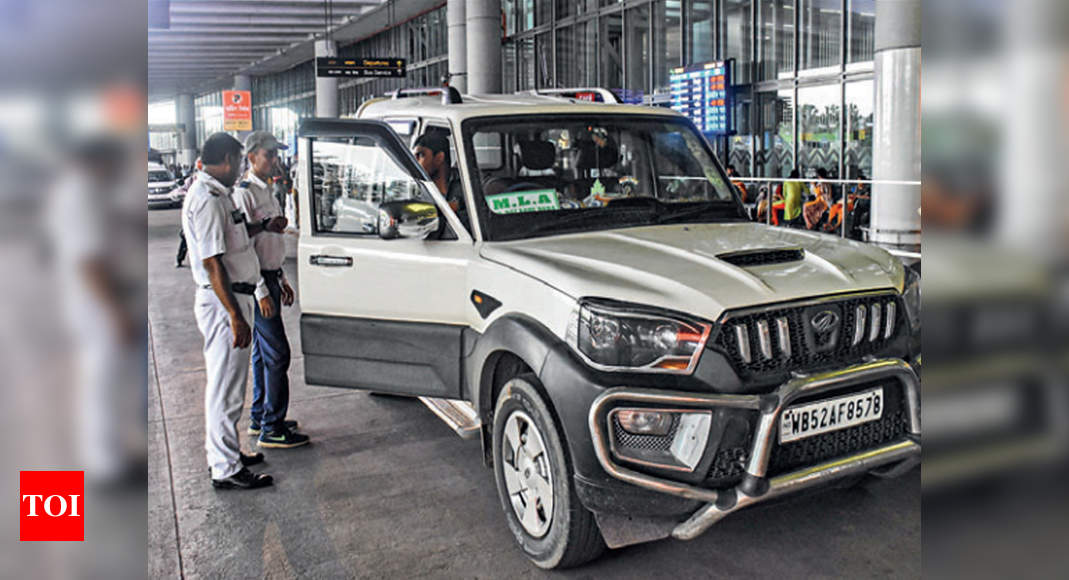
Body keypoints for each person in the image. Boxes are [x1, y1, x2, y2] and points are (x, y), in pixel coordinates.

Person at [182, 132, 276, 490]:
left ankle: (225, 452)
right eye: (237, 161)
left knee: (229, 385)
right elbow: (212, 263)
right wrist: (235, 315)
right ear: (224, 160)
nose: (239, 168)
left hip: (235, 297)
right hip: (225, 303)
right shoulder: (206, 199)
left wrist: (263, 226)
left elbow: (233, 238)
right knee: (226, 388)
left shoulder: (219, 195)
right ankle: (225, 467)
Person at [231, 131, 308, 449]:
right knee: (278, 355)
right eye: (269, 155)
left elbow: (270, 241)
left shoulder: (269, 190)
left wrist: (282, 280)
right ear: (251, 157)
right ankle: (273, 429)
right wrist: (262, 289)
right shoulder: (244, 194)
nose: (275, 160)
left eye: (276, 154)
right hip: (257, 281)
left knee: (264, 356)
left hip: (272, 276)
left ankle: (262, 416)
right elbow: (244, 246)